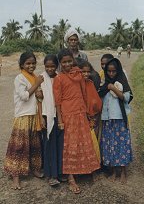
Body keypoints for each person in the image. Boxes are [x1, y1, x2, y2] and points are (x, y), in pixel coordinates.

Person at [53, 49, 100, 194]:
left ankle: (87, 170)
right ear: (60, 63)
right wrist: (60, 121)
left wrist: (87, 112)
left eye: (69, 61)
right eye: (64, 62)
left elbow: (85, 91)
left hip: (80, 113)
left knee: (84, 142)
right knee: (70, 146)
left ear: (72, 60)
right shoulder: (59, 79)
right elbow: (58, 102)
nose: (67, 64)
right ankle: (71, 178)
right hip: (68, 115)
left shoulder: (79, 75)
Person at [4, 52, 44, 190]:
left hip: (34, 115)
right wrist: (37, 84)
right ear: (22, 65)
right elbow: (25, 96)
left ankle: (34, 169)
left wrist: (40, 92)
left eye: (33, 63)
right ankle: (16, 176)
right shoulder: (19, 78)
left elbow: (38, 95)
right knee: (19, 147)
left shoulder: (34, 77)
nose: (31, 65)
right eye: (28, 63)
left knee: (34, 145)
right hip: (23, 116)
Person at [100, 58, 133, 184]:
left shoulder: (122, 82)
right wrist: (107, 88)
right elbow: (100, 96)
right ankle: (114, 171)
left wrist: (113, 89)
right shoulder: (105, 84)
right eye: (109, 71)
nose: (111, 74)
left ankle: (124, 172)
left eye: (114, 71)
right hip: (108, 119)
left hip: (119, 119)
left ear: (118, 71)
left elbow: (126, 98)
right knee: (110, 145)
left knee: (121, 145)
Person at [40, 54, 64, 186]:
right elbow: (38, 100)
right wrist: (41, 118)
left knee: (59, 145)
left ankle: (60, 172)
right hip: (47, 116)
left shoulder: (59, 77)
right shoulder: (41, 78)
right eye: (47, 66)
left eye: (52, 66)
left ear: (56, 66)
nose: (50, 69)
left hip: (59, 115)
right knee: (49, 145)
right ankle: (51, 175)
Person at [77, 60, 102, 161]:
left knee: (91, 141)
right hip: (79, 117)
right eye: (83, 72)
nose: (86, 74)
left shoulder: (90, 83)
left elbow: (95, 101)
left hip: (91, 117)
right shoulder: (75, 85)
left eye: (88, 72)